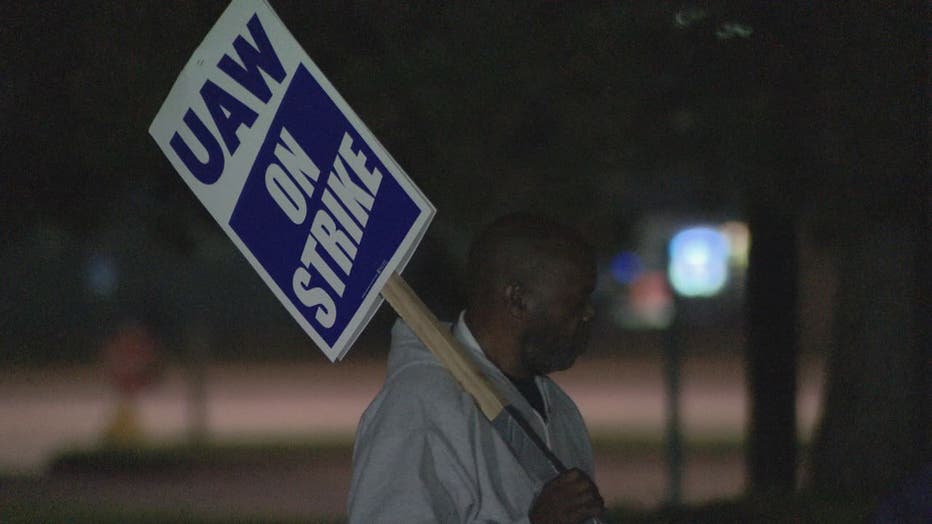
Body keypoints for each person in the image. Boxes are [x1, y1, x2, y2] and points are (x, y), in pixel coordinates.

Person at [347, 213, 606, 523]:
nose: (589, 313)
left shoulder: (560, 409)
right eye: (578, 300)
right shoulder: (417, 407)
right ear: (518, 300)